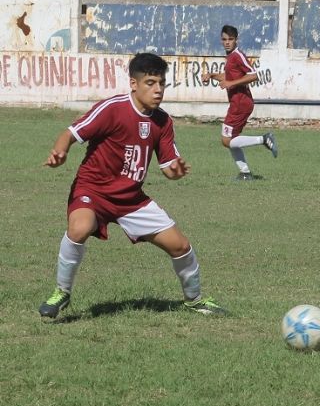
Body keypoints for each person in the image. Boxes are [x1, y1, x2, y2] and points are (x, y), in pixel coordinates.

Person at [38, 53, 226, 318]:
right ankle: (62, 292)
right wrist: (60, 153)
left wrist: (177, 172)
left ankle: (194, 300)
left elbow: (168, 167)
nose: (158, 89)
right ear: (133, 84)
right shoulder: (113, 109)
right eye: (151, 82)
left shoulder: (162, 121)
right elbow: (71, 133)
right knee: (79, 228)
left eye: (161, 83)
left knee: (180, 246)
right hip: (93, 190)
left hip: (131, 199)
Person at [202, 25, 277, 181]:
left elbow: (253, 75)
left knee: (227, 140)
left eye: (230, 39)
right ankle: (245, 173)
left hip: (241, 103)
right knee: (230, 140)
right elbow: (228, 76)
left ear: (236, 40)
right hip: (237, 103)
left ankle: (264, 139)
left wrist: (231, 84)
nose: (227, 42)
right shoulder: (230, 57)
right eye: (224, 39)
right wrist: (212, 75)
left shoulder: (237, 55)